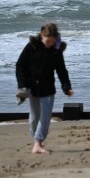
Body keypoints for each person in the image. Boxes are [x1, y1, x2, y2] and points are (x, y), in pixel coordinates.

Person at [15, 23, 73, 154]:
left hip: (47, 89)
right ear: (42, 35)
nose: (50, 44)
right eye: (48, 41)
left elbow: (62, 71)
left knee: (45, 117)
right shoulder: (32, 46)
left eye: (52, 42)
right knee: (34, 118)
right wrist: (22, 85)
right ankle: (37, 142)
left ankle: (37, 143)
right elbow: (20, 66)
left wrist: (67, 87)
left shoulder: (56, 51)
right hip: (32, 88)